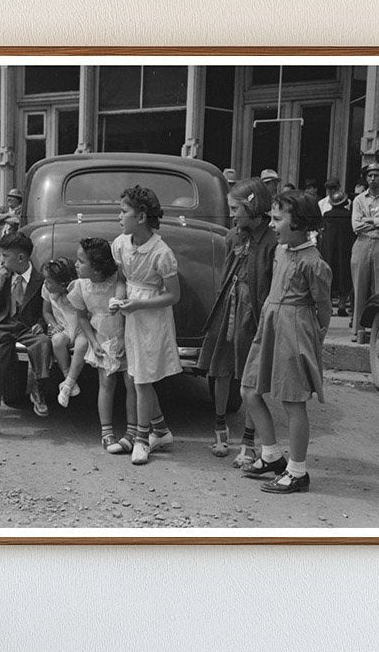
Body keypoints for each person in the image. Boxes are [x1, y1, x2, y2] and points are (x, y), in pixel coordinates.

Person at [241, 190, 332, 494]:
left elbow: (322, 309)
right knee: (250, 389)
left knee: (293, 402)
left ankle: (297, 471)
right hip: (271, 323)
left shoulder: (313, 262)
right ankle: (271, 455)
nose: (273, 224)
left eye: (278, 219)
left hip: (295, 330)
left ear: (299, 223)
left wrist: (312, 340)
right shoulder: (281, 251)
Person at [197, 178, 275, 464]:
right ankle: (220, 426)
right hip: (228, 304)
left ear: (252, 206)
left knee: (249, 374)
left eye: (235, 208)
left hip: (252, 311)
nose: (232, 214)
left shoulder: (271, 241)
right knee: (220, 368)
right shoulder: (233, 236)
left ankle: (249, 439)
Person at [108, 185, 181, 466]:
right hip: (131, 315)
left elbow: (173, 295)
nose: (119, 216)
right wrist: (118, 299)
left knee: (142, 380)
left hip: (152, 317)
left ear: (140, 217)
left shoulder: (161, 253)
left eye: (123, 211)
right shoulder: (121, 244)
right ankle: (160, 431)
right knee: (135, 375)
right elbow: (121, 280)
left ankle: (142, 439)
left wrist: (138, 305)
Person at [0, 231, 53, 439]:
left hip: (26, 327)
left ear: (21, 258)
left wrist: (39, 324)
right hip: (4, 324)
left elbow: (43, 308)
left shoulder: (39, 279)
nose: (1, 260)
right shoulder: (3, 274)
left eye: (4, 256)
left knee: (43, 343)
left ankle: (38, 390)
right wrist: (0, 283)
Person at [69, 236, 135, 453]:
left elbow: (122, 296)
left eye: (81, 261)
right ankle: (106, 433)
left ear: (96, 268)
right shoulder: (80, 286)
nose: (76, 264)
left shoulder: (116, 279)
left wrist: (126, 337)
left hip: (125, 335)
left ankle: (132, 432)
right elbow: (82, 317)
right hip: (102, 339)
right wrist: (93, 342)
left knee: (131, 383)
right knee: (106, 383)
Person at [40, 257, 87, 407]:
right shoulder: (47, 290)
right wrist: (53, 325)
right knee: (57, 340)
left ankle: (68, 383)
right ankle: (67, 375)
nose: (45, 284)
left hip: (80, 327)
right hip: (63, 326)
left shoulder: (76, 291)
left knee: (82, 345)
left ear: (62, 285)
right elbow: (46, 312)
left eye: (49, 281)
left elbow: (86, 313)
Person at [350, 162, 379, 342]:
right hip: (362, 243)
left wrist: (369, 220)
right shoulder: (358, 200)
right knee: (360, 287)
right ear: (366, 178)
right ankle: (358, 330)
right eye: (370, 175)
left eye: (376, 175)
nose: (373, 179)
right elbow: (356, 225)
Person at [318, 181, 355, 317]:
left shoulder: (327, 216)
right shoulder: (349, 216)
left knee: (329, 276)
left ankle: (328, 306)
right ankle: (341, 305)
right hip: (345, 251)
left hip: (329, 251)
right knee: (344, 276)